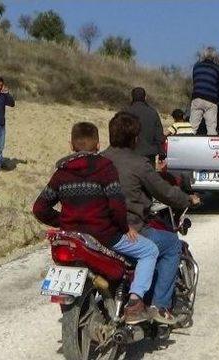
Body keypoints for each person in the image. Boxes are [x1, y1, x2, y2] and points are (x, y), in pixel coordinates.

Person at [32, 122, 159, 325]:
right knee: (149, 250)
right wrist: (125, 228)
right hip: (104, 235)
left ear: (71, 145)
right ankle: (135, 302)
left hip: (74, 237)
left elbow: (39, 208)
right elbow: (117, 205)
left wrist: (65, 222)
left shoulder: (62, 172)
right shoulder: (105, 168)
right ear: (98, 145)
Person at [102, 112, 200, 324]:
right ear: (135, 138)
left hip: (100, 229)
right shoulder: (139, 164)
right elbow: (165, 192)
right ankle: (160, 306)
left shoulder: (99, 159)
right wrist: (187, 199)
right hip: (130, 228)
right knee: (172, 244)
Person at [189, 47, 219, 135]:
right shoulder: (217, 69)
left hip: (197, 97)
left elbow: (195, 81)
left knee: (192, 127)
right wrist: (217, 99)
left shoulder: (197, 66)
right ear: (214, 57)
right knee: (211, 128)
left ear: (204, 55)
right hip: (211, 100)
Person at [125, 87, 165, 164]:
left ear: (132, 97)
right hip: (148, 155)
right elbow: (159, 136)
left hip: (129, 154)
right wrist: (161, 152)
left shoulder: (125, 112)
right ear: (145, 97)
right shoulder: (153, 113)